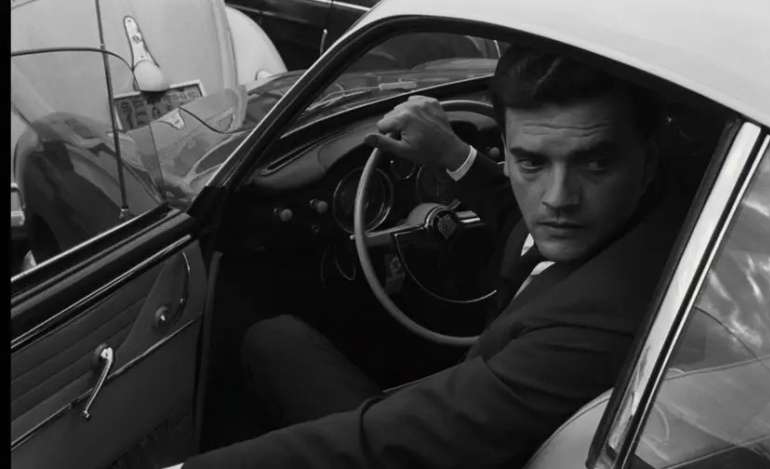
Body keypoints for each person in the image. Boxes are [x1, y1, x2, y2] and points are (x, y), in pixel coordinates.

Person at [177, 46, 688, 469]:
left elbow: (395, 440)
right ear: (506, 150)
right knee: (274, 339)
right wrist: (454, 155)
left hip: (455, 442)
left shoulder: (604, 317)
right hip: (475, 401)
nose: (557, 198)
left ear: (647, 162)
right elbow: (518, 219)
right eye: (531, 162)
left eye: (594, 164)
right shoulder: (643, 216)